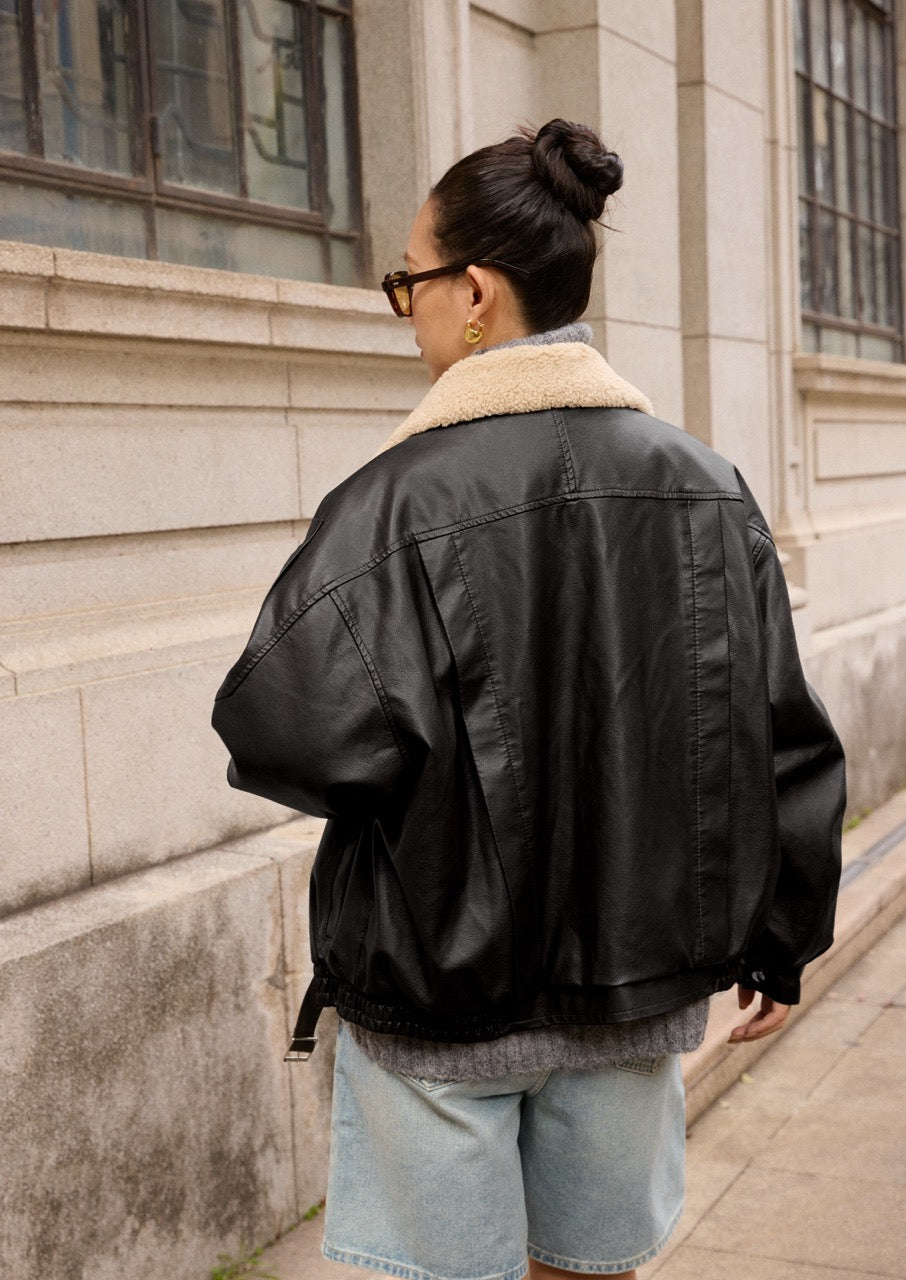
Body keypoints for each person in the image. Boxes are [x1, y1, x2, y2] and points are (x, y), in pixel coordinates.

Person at [212, 119, 845, 1280]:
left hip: (440, 993)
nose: (401, 306)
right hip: (637, 983)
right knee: (592, 1272)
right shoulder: (705, 487)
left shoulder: (390, 500)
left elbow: (283, 727)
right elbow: (779, 728)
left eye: (404, 280)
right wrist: (781, 934)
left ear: (473, 292)